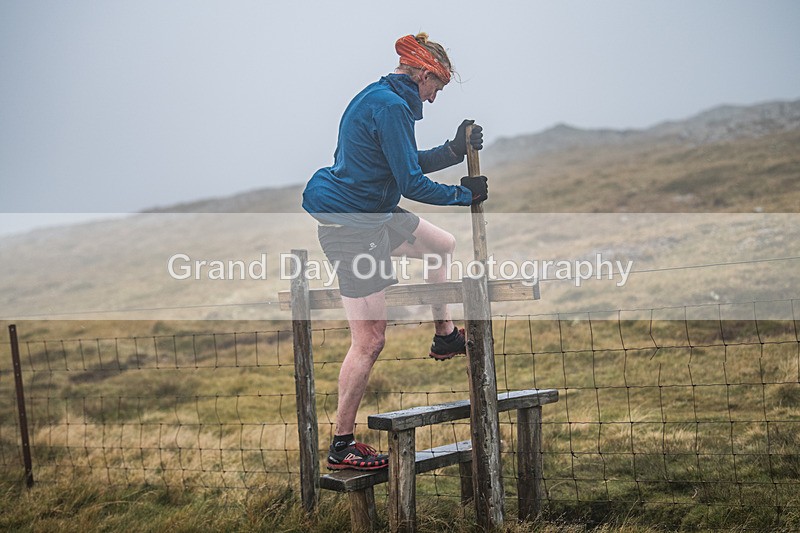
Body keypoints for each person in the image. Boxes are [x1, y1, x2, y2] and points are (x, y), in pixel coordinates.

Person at [302, 32, 488, 471]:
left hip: (376, 213)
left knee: (441, 245)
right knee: (370, 340)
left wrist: (452, 151)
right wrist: (465, 196)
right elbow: (410, 182)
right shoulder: (389, 106)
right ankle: (342, 445)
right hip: (351, 226)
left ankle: (445, 335)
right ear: (422, 73)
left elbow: (399, 160)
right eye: (436, 88)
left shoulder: (384, 98)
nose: (435, 98)